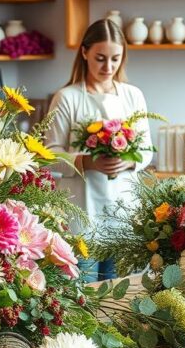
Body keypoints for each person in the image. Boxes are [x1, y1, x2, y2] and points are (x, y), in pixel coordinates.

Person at [45, 19, 153, 282]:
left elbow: (147, 150)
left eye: (115, 59)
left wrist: (128, 163)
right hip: (81, 215)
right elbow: (48, 156)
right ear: (84, 52)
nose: (108, 67)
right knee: (84, 296)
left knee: (120, 297)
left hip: (124, 212)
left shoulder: (133, 96)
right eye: (100, 58)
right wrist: (86, 162)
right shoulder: (67, 97)